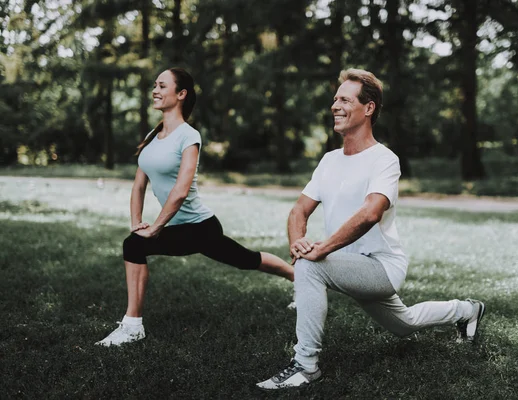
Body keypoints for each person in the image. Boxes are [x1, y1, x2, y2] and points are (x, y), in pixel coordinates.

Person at [257, 69, 485, 390]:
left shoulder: (384, 160)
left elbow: (370, 213)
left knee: (311, 265)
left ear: (368, 109)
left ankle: (305, 366)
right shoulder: (329, 161)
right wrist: (298, 242)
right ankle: (467, 310)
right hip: (347, 264)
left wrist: (319, 250)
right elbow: (299, 210)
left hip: (380, 267)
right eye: (335, 99)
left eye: (345, 99)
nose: (335, 105)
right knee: (404, 324)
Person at [96, 67, 294, 347]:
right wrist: (136, 222)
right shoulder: (154, 135)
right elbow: (139, 184)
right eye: (155, 85)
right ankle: (132, 325)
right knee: (134, 243)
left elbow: (180, 191)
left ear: (181, 94)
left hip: (200, 227)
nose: (155, 90)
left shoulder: (189, 136)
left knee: (247, 260)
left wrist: (155, 228)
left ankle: (299, 278)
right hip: (175, 226)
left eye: (162, 86)